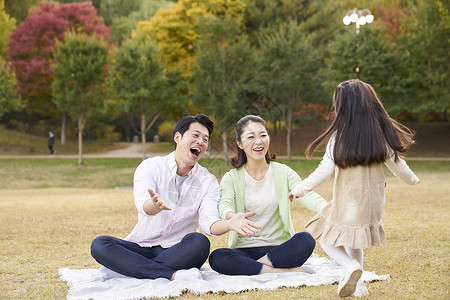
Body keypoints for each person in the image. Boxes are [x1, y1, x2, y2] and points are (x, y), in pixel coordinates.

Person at [289, 79, 420, 297]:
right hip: (373, 203)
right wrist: (413, 180)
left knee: (324, 235)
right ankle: (359, 286)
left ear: (342, 107)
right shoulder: (379, 136)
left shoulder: (338, 137)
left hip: (348, 201)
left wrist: (299, 189)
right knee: (354, 240)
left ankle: (349, 267)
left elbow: (324, 170)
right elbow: (398, 166)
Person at [91, 114, 260, 281]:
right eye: (195, 135)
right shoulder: (151, 166)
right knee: (100, 244)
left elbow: (208, 223)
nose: (201, 142)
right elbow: (143, 204)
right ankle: (170, 274)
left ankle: (127, 269)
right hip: (140, 246)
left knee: (200, 242)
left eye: (205, 139)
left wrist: (229, 224)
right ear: (178, 137)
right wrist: (154, 205)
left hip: (178, 251)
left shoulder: (208, 182)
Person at [208, 115, 328, 276]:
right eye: (251, 137)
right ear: (239, 143)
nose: (259, 142)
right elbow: (225, 204)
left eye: (263, 135)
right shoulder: (231, 177)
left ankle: (256, 268)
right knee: (217, 257)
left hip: (280, 250)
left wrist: (326, 208)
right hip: (244, 249)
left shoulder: (283, 172)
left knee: (305, 239)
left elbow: (306, 195)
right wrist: (232, 217)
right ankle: (281, 272)